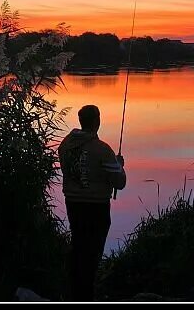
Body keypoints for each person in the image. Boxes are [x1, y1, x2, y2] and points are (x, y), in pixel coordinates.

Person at [57, 104, 127, 301]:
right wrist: (119, 166)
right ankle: (86, 293)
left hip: (72, 204)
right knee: (93, 250)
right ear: (97, 121)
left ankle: (74, 290)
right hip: (96, 207)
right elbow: (119, 182)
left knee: (79, 245)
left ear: (81, 121)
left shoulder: (65, 146)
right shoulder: (102, 150)